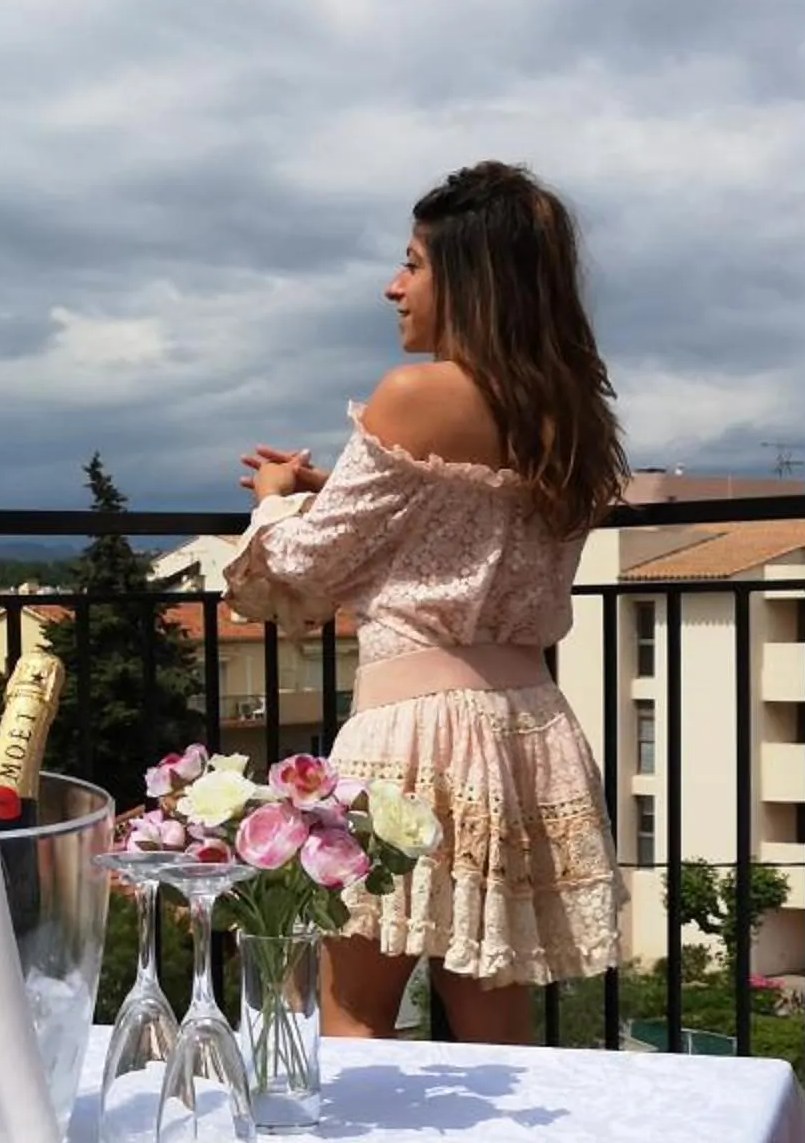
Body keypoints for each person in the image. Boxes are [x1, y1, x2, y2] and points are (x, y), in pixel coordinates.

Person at [225, 160, 627, 1044]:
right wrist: (347, 493)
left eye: (413, 263)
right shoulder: (572, 413)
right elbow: (468, 520)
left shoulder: (413, 396)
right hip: (527, 728)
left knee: (355, 1009)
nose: (393, 285)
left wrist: (276, 499)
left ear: (471, 279)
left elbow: (304, 567)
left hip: (413, 734)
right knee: (493, 1019)